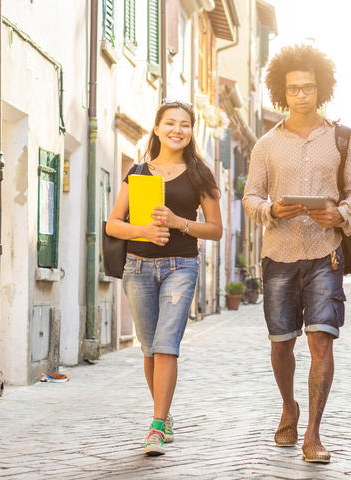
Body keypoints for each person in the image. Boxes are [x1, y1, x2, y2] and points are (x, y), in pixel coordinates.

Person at [242, 44, 351, 463]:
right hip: (278, 255)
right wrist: (270, 210)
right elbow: (250, 196)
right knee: (281, 344)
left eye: (308, 87)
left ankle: (313, 432)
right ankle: (288, 407)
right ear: (282, 91)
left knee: (322, 344)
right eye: (293, 88)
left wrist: (341, 214)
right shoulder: (265, 144)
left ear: (321, 89)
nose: (301, 95)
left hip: (324, 255)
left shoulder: (341, 139)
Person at [106, 100, 222, 456]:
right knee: (149, 348)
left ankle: (155, 427)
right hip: (138, 267)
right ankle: (164, 413)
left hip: (181, 267)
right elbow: (113, 223)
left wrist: (178, 223)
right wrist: (143, 230)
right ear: (156, 128)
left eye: (184, 124)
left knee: (166, 343)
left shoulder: (200, 174)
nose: (177, 130)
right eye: (170, 123)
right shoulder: (139, 172)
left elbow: (215, 229)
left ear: (191, 132)